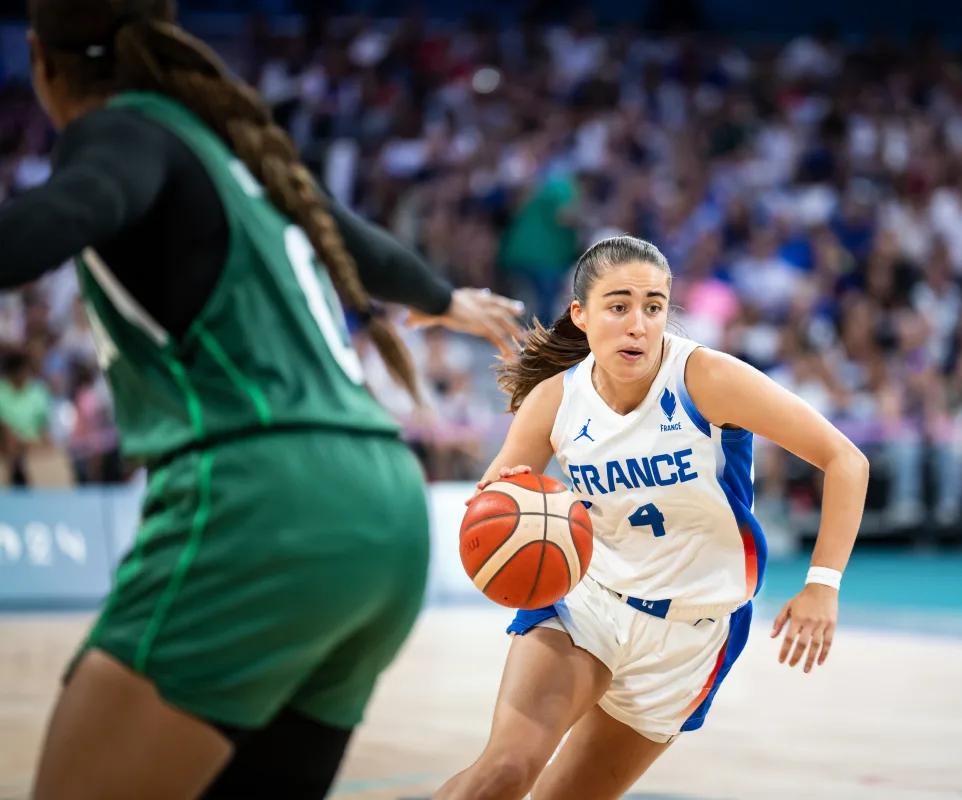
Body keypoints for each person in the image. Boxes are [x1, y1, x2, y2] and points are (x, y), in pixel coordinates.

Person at [1, 1, 525, 797]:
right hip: (384, 510)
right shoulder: (238, 155)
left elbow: (71, 208)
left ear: (41, 62)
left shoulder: (123, 131)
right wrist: (445, 297)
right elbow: (349, 236)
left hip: (265, 504)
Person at [435, 235, 870, 800]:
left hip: (692, 633)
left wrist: (822, 585)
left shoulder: (706, 378)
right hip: (589, 603)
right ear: (582, 316)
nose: (638, 323)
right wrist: (503, 520)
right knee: (502, 774)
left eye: (654, 306)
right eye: (618, 306)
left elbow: (846, 460)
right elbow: (495, 505)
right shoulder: (554, 400)